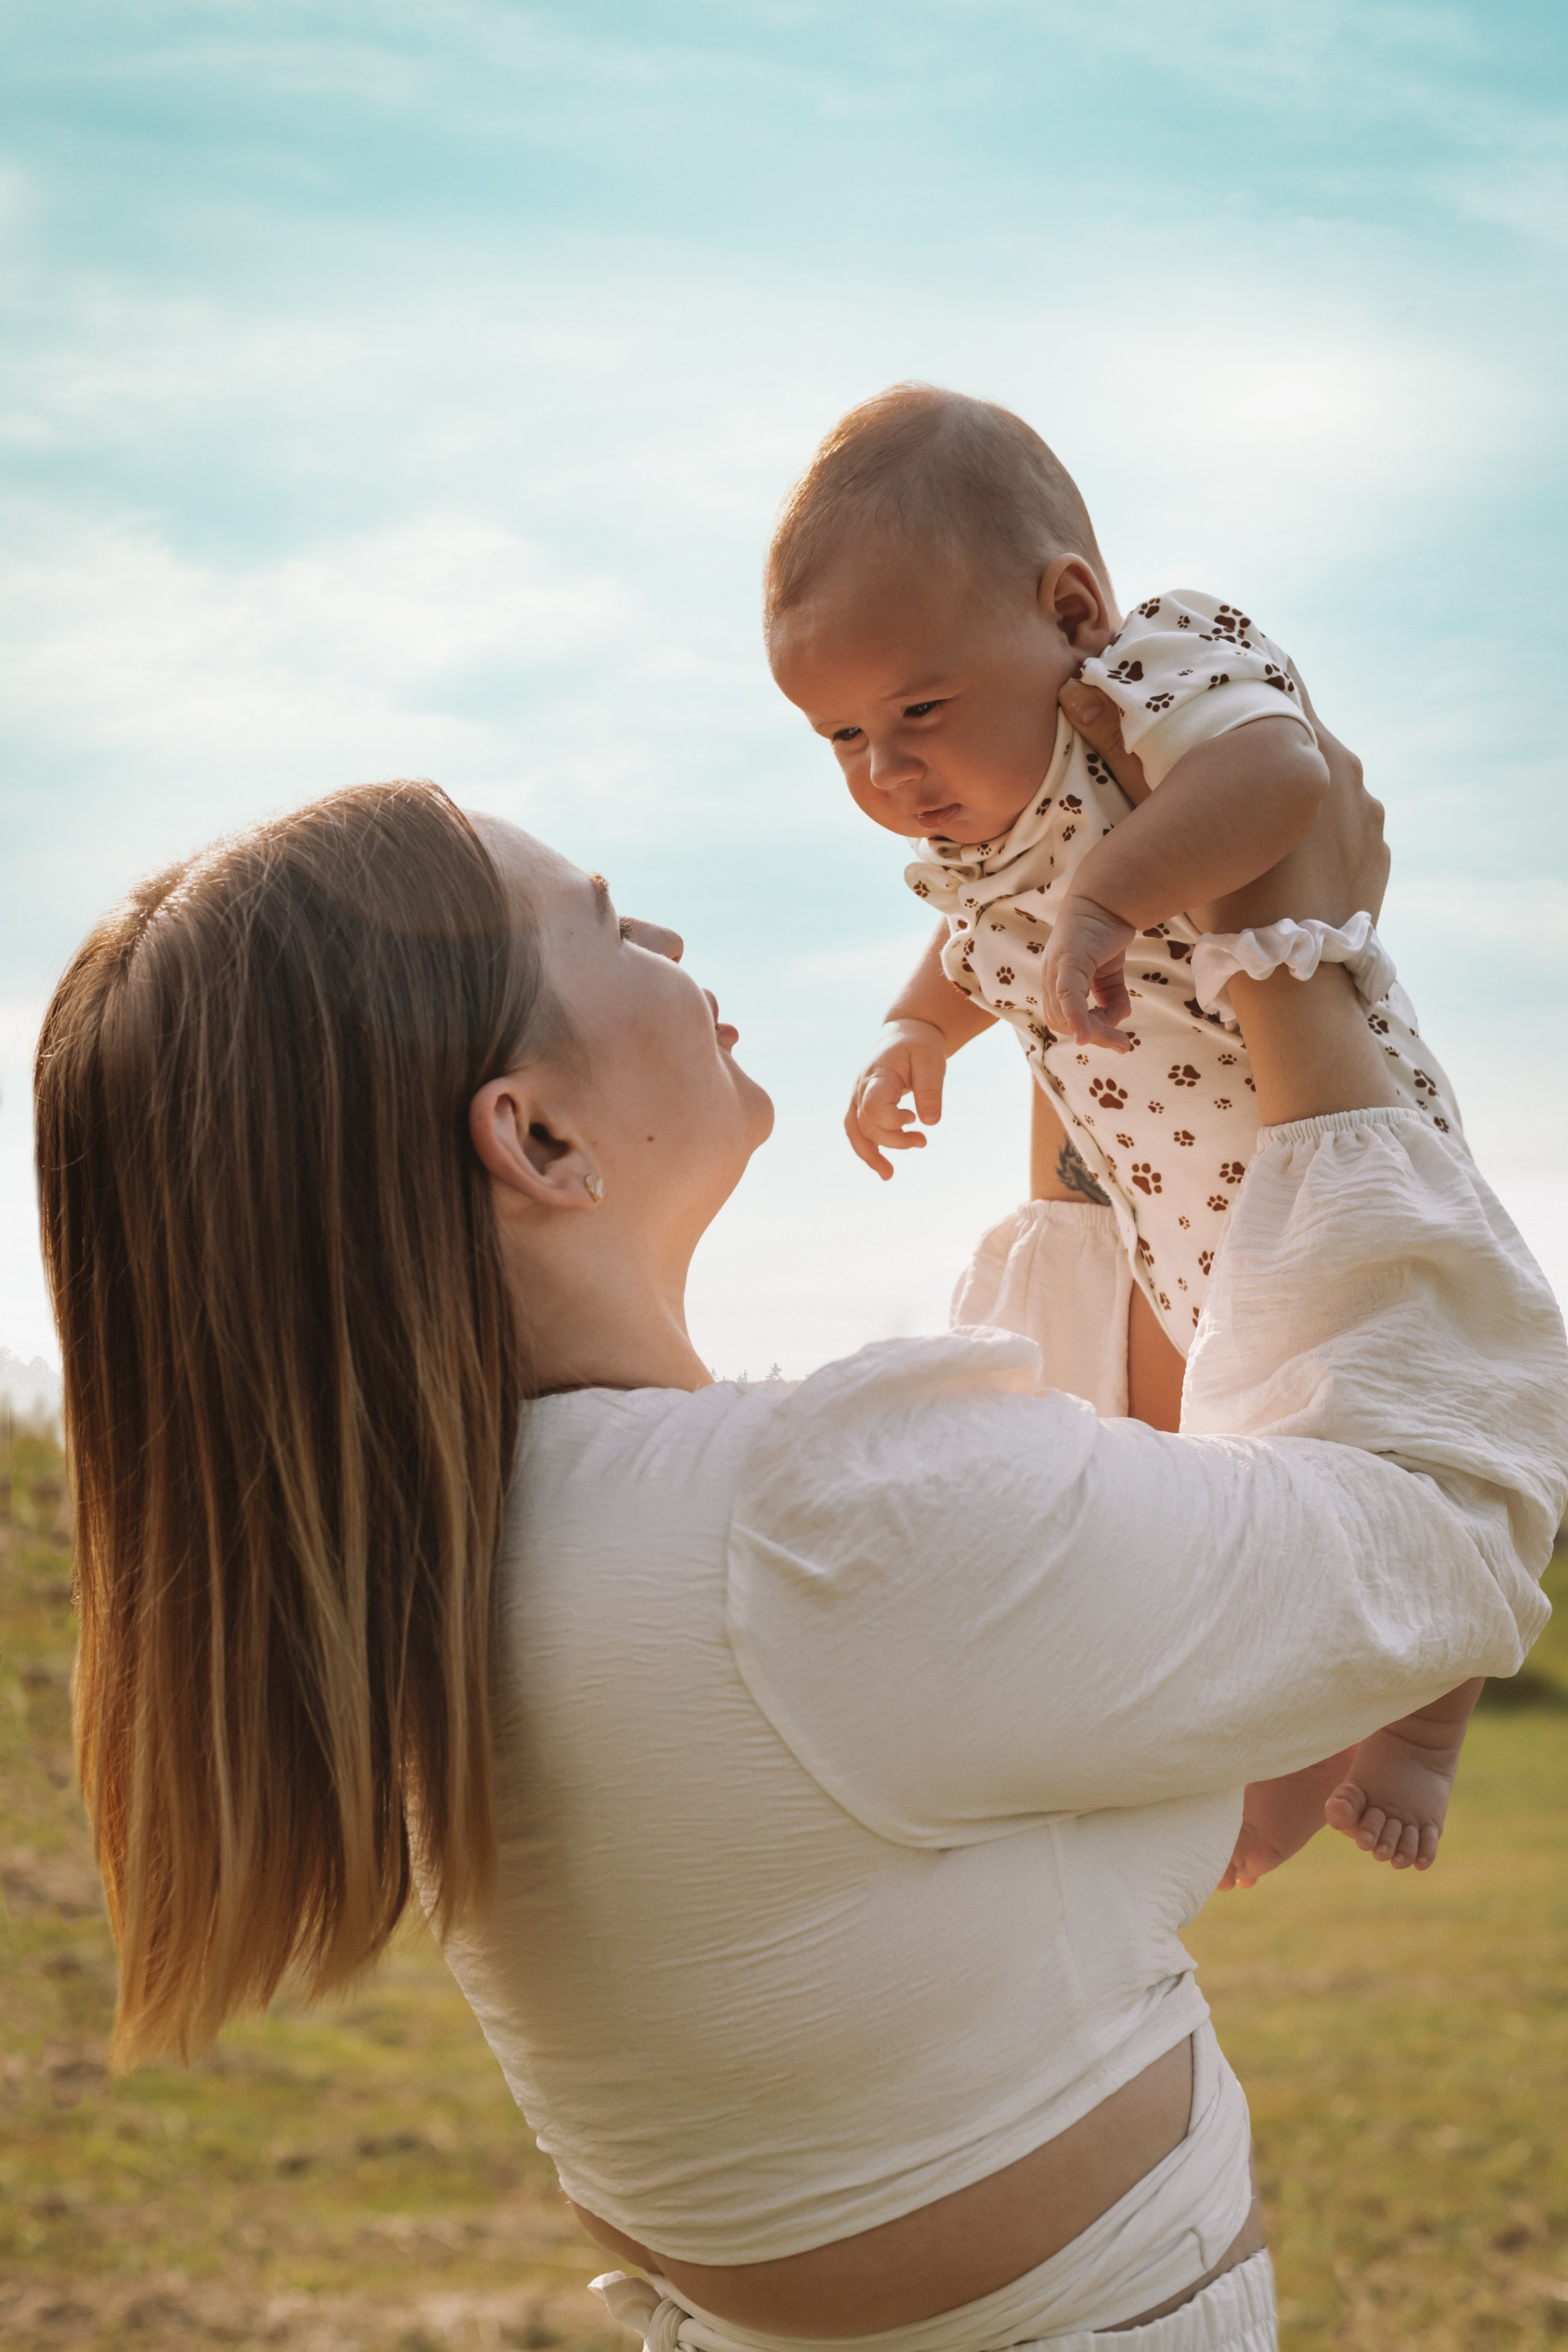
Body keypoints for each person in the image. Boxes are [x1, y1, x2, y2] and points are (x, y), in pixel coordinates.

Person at [33, 744, 1564, 2352]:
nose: (675, 947)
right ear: (538, 1141)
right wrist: (1290, 957)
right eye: (609, 925)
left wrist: (1094, 1027)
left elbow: (1039, 1516)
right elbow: (1434, 1521)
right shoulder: (805, 1525)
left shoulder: (462, 1566)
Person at [763, 383, 1474, 1888]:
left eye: (918, 710)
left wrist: (1111, 896)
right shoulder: (991, 841)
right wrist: (911, 1033)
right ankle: (1245, 1781)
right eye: (839, 737)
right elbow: (973, 947)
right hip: (1169, 1216)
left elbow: (1280, 778)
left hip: (1323, 1155)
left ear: (1068, 608)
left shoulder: (1154, 664)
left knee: (1397, 1416)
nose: (884, 771)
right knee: (1207, 1485)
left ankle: (1418, 1728)